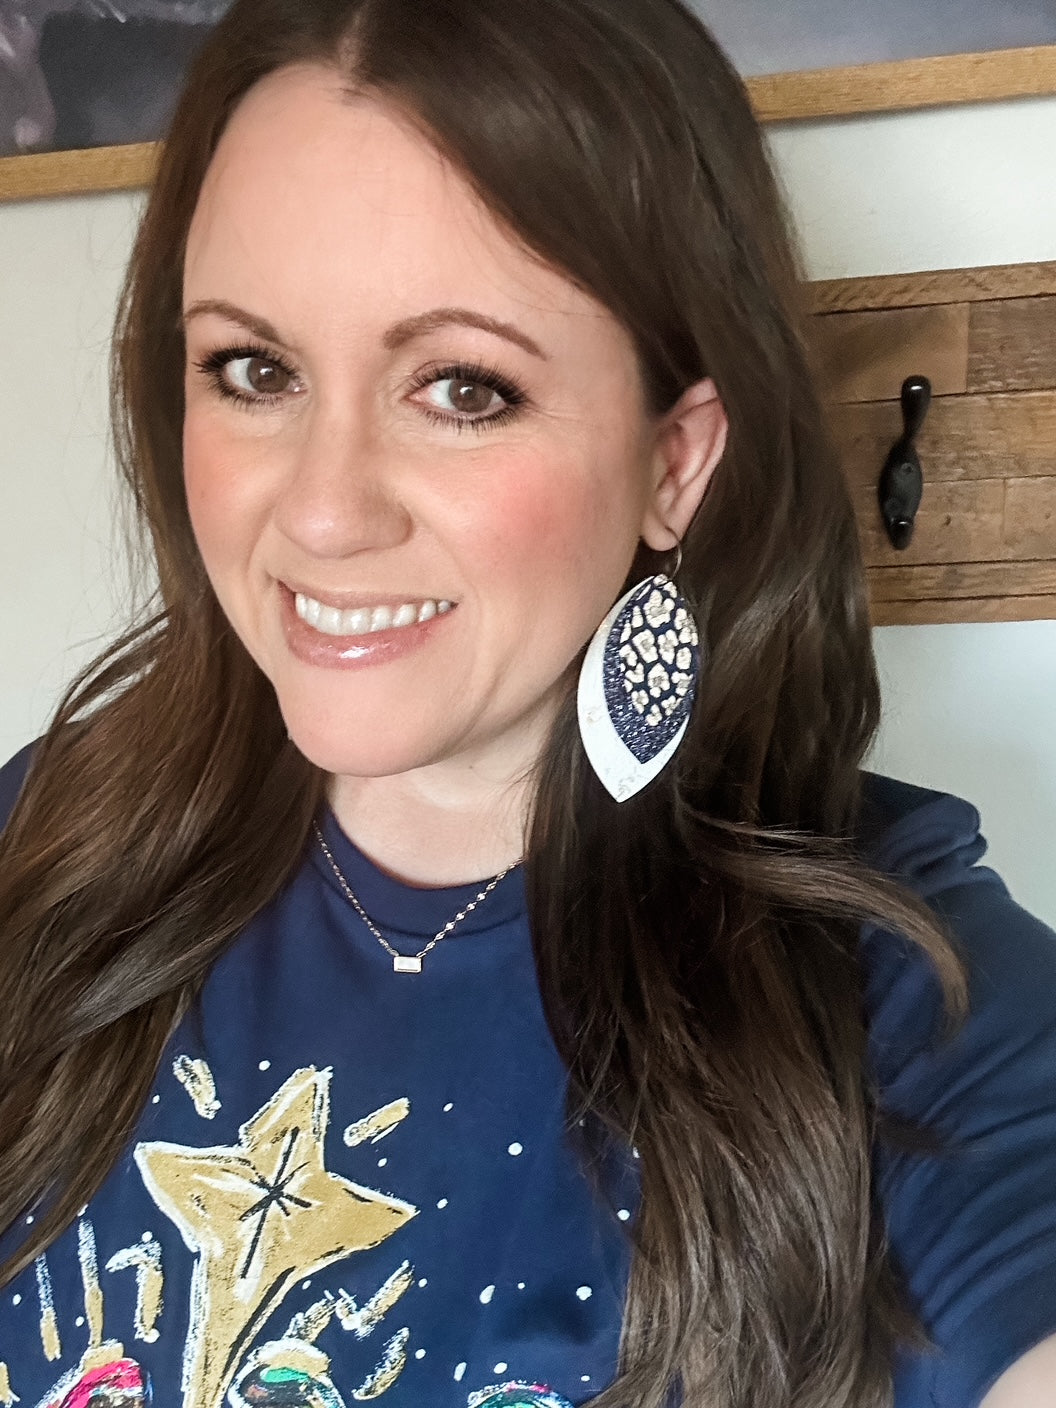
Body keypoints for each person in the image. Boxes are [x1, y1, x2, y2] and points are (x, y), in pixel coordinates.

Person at [0, 0, 1053, 1404]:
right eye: (254, 370)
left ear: (676, 461)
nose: (319, 514)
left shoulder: (897, 1000)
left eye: (462, 388)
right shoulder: (46, 848)